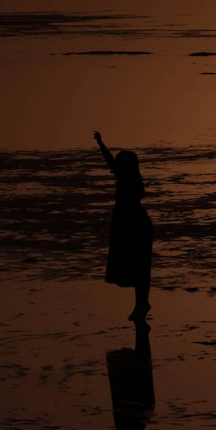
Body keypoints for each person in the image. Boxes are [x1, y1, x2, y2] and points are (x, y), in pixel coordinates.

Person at [94, 130, 152, 321]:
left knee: (140, 268)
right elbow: (110, 162)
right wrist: (101, 143)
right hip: (131, 225)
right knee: (137, 269)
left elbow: (132, 204)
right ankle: (141, 305)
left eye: (120, 163)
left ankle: (142, 304)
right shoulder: (126, 177)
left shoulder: (131, 182)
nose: (116, 166)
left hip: (136, 227)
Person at [99, 320, 155, 430]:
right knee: (138, 367)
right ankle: (142, 330)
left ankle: (142, 331)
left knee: (141, 365)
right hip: (132, 412)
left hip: (139, 411)